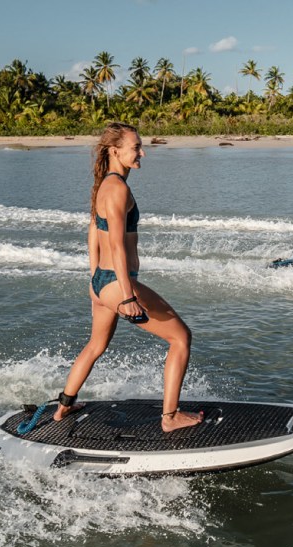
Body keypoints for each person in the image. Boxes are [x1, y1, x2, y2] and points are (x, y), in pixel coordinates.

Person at [53, 122, 203, 432]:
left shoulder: (104, 186)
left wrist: (94, 281)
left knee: (95, 345)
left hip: (103, 281)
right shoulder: (118, 189)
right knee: (180, 338)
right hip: (118, 284)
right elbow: (117, 246)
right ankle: (170, 417)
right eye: (136, 147)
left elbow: (92, 233)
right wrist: (127, 295)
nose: (142, 153)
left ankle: (63, 406)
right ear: (114, 150)